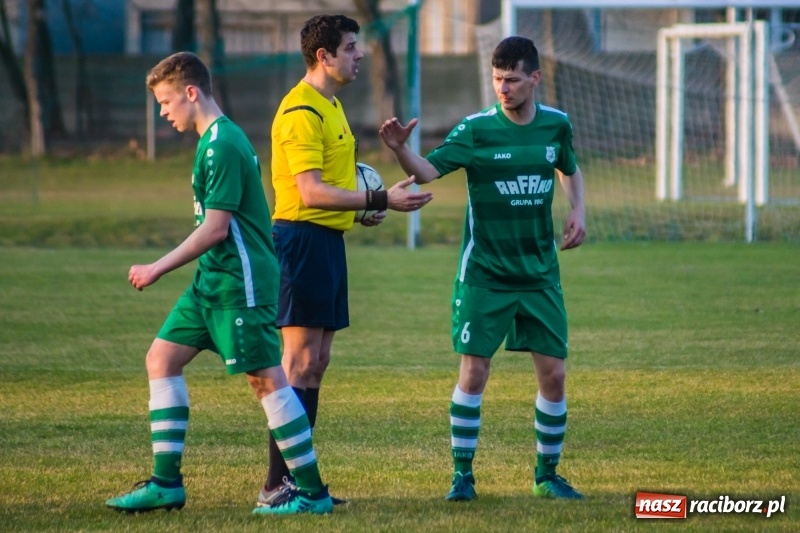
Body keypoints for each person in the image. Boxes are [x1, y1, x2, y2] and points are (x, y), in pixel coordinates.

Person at [105, 51, 333, 516]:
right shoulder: (212, 140)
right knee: (161, 358)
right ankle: (166, 484)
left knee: (266, 381)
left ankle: (312, 493)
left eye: (166, 101)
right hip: (211, 281)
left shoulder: (223, 144)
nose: (163, 112)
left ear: (191, 93)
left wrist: (156, 267)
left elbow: (215, 229)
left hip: (239, 283)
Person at [379, 36, 586, 501]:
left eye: (512, 79)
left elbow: (569, 167)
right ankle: (462, 477)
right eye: (497, 79)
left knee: (554, 376)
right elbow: (427, 171)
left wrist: (578, 210)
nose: (503, 88)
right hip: (485, 274)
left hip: (539, 273)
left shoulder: (556, 125)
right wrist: (399, 150)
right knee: (474, 373)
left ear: (535, 78)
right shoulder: (476, 130)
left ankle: (547, 476)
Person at [257, 14, 433, 507]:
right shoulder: (301, 112)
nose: (360, 54)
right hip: (300, 241)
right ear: (324, 55)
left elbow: (333, 187)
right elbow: (310, 193)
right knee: (297, 363)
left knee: (316, 363)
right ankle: (275, 486)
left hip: (327, 242)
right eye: (351, 47)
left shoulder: (331, 106)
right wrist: (379, 200)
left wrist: (362, 209)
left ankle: (299, 481)